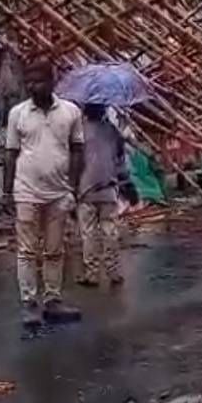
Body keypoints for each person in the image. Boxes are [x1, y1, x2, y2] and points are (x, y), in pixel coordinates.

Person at [5, 60, 85, 326]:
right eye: (29, 81)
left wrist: (73, 187)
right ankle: (29, 303)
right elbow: (11, 153)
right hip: (26, 191)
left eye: (38, 80)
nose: (32, 86)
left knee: (54, 250)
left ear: (52, 82)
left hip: (59, 193)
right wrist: (7, 191)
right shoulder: (17, 113)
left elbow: (77, 150)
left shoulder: (70, 112)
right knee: (27, 251)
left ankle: (53, 300)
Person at [75, 104, 126, 287]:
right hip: (109, 188)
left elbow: (74, 161)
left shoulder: (79, 131)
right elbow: (120, 157)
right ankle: (113, 272)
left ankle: (92, 274)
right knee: (110, 231)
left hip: (86, 188)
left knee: (88, 233)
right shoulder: (112, 130)